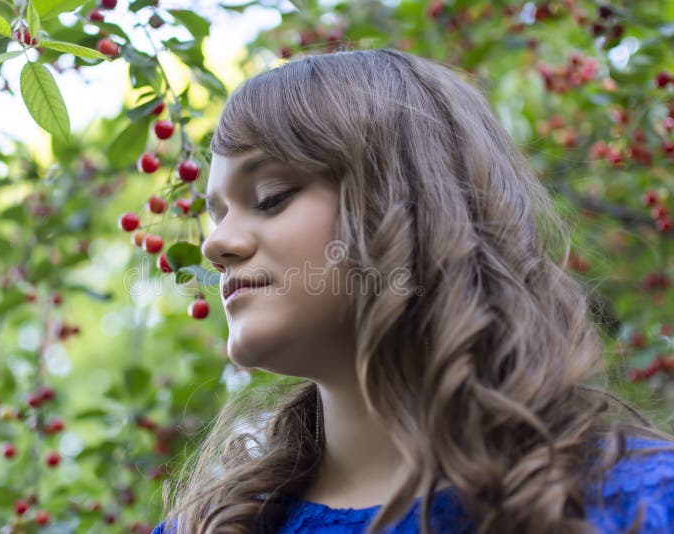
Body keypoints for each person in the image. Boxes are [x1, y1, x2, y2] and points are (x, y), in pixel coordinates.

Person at [151, 48, 674, 533]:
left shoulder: (641, 505)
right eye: (215, 214)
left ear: (412, 207)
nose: (215, 244)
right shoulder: (206, 526)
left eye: (270, 197)